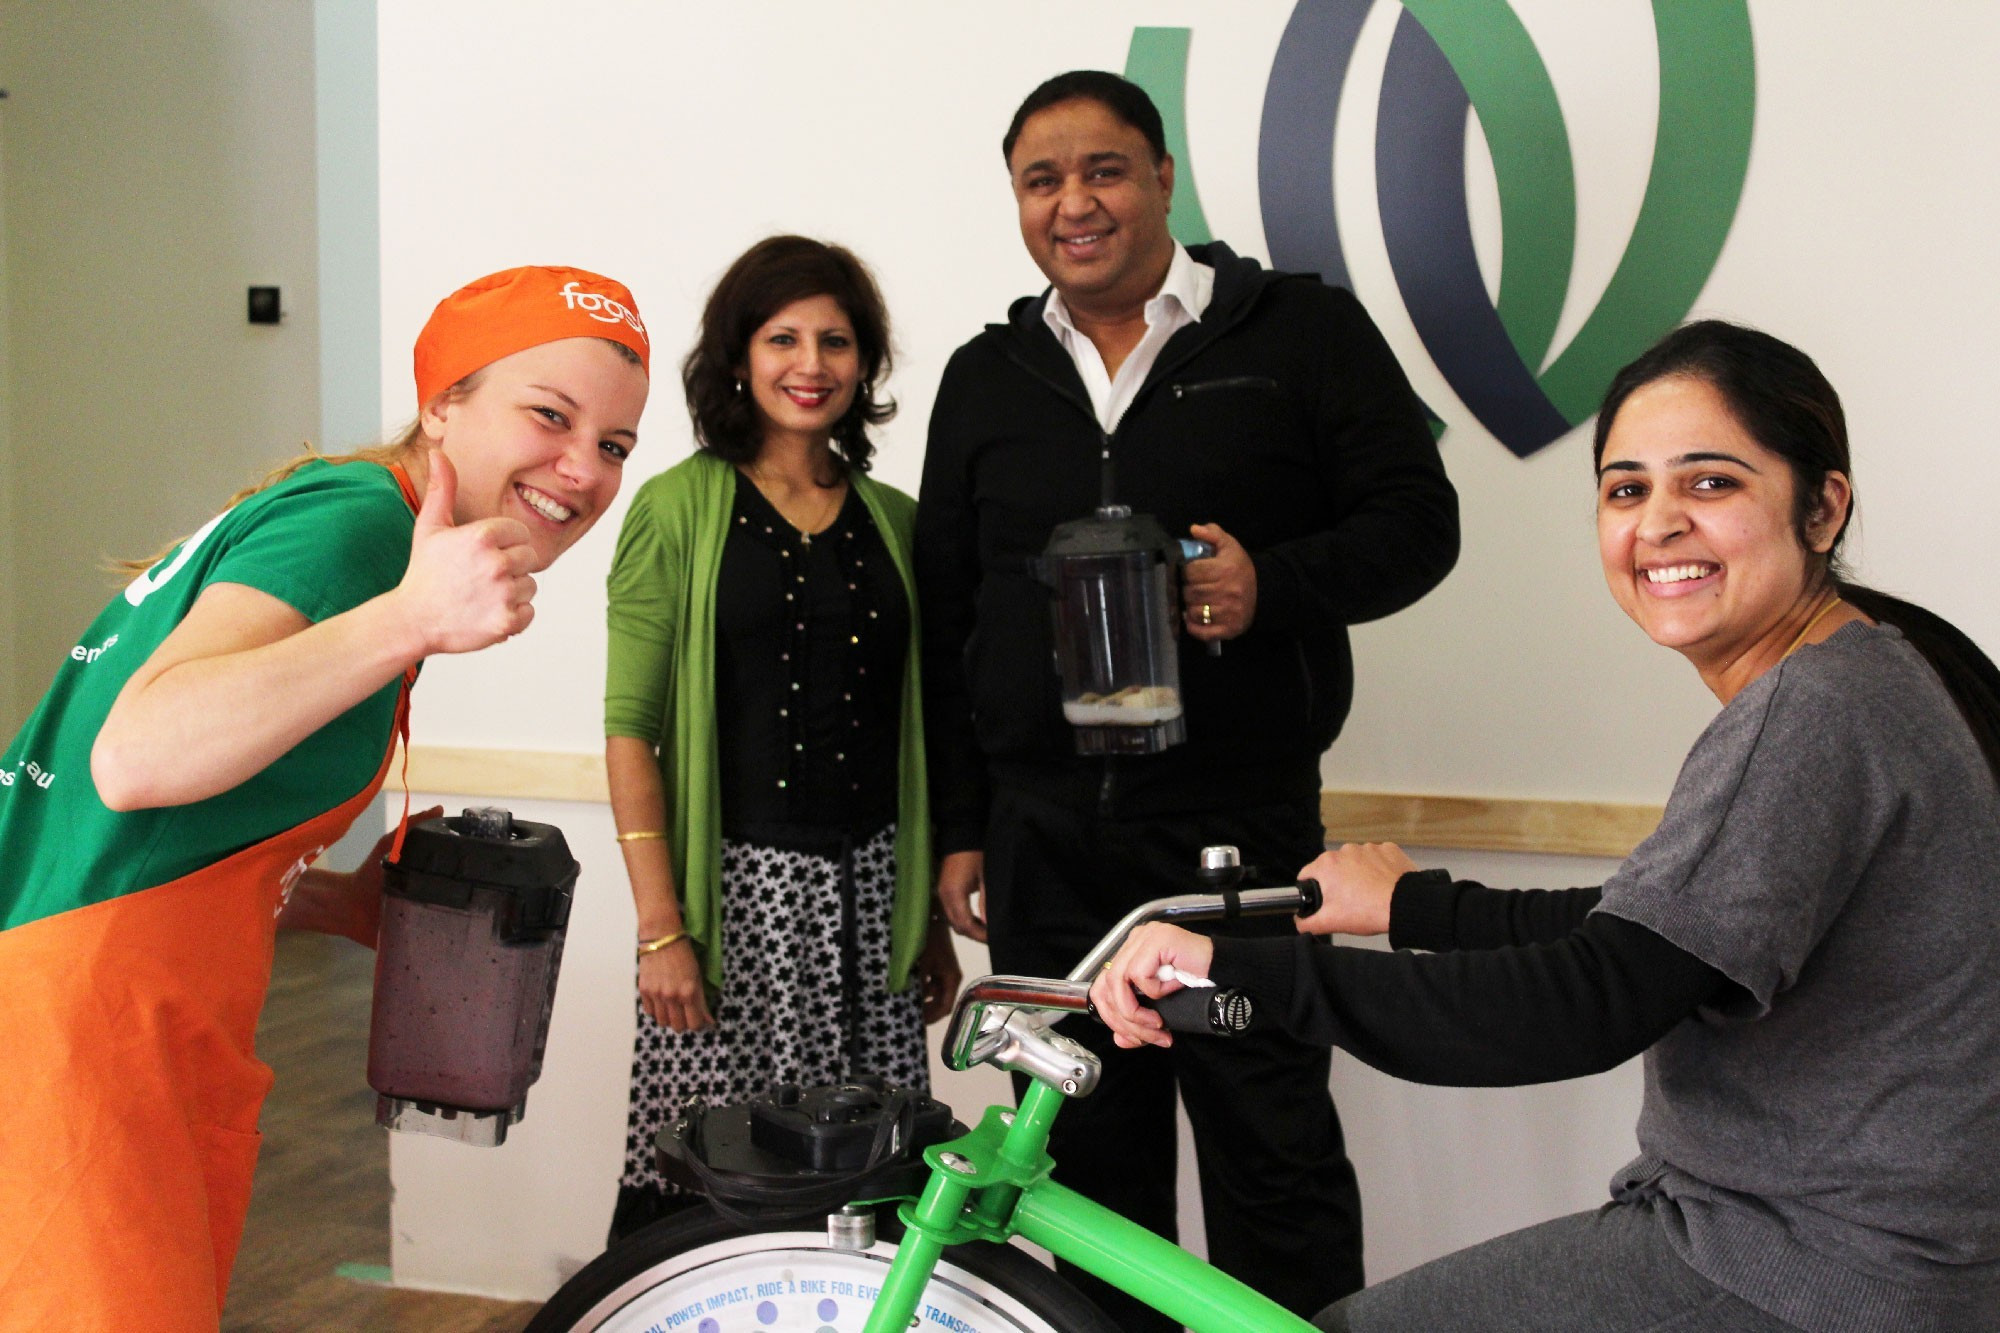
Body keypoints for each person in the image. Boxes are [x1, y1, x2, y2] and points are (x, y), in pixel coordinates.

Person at [1094, 320, 2000, 1333]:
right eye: (1625, 489)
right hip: (1863, 1248)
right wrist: (1416, 903)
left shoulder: (1810, 714)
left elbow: (1591, 1000)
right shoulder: (1880, 663)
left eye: (1708, 483)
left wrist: (1232, 974)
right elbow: (1663, 932)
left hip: (1805, 1262)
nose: (1656, 524)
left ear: (1820, 506)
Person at [0, 265, 652, 1330]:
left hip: (104, 1006)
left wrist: (336, 903)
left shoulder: (366, 532)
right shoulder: (360, 532)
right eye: (550, 414)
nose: (582, 468)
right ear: (443, 401)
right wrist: (408, 620)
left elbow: (150, 833)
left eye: (615, 443)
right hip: (78, 1036)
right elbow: (139, 756)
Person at [915, 70, 1460, 1327]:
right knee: (1083, 1163)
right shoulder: (986, 375)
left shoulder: (1299, 334)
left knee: (1270, 1148)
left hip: (1234, 836)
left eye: (1101, 169)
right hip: (1043, 841)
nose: (1073, 202)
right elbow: (951, 615)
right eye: (1039, 180)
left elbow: (1416, 527)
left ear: (1162, 179)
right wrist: (961, 820)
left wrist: (1274, 582)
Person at [602, 235, 959, 1242]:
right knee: (720, 1186)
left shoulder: (896, 521)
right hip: (734, 908)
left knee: (872, 1192)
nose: (811, 364)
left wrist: (924, 914)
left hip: (872, 890)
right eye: (783, 337)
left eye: (836, 341)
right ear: (737, 356)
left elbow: (917, 730)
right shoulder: (673, 509)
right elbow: (629, 729)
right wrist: (661, 927)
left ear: (865, 363)